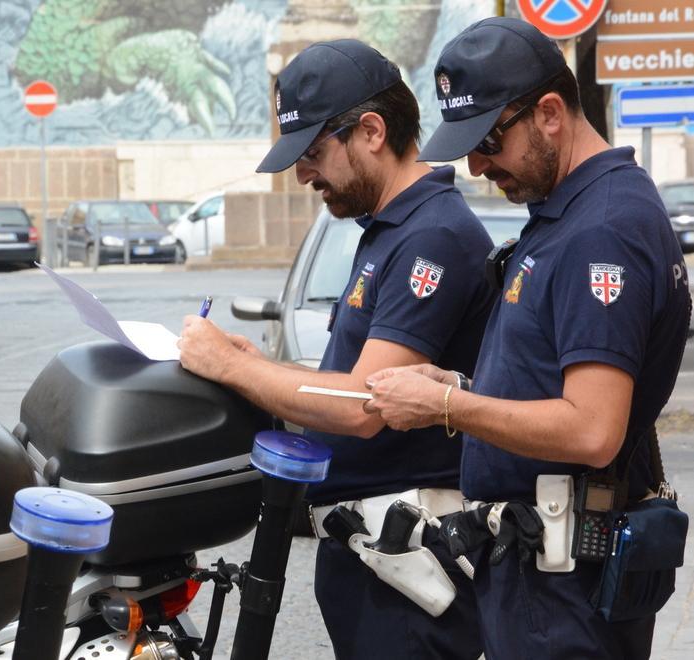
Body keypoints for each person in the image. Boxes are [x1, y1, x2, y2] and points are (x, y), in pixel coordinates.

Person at [363, 17, 691, 659]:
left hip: (563, 585)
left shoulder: (602, 230)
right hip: (539, 574)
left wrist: (448, 408)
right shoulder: (569, 211)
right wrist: (459, 385)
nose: (478, 165)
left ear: (549, 113)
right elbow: (551, 382)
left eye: (487, 139)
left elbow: (592, 429)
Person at [177, 39, 495, 659]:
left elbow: (362, 406)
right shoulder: (390, 229)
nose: (302, 174)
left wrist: (234, 367)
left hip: (408, 560)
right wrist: (261, 367)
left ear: (371, 131)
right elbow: (350, 380)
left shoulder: (432, 237)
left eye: (314, 152)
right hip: (376, 556)